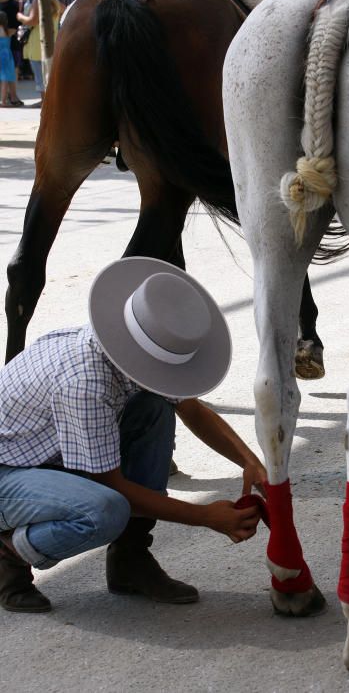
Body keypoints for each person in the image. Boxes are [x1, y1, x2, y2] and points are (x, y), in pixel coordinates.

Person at [0, 257, 267, 613]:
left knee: (155, 407)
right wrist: (207, 517)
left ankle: (130, 559)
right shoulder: (85, 384)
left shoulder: (126, 345)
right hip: (8, 473)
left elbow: (192, 410)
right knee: (104, 511)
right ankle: (8, 556)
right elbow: (113, 488)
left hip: (44, 455)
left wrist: (249, 461)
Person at [16, 0, 63, 107]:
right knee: (49, 73)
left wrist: (20, 16)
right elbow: (64, 10)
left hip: (38, 42)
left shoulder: (38, 1)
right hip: (52, 40)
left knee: (40, 74)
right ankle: (50, 101)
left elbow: (32, 20)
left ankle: (44, 101)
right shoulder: (55, 1)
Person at [0, 8, 22, 105]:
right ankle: (3, 101)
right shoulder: (8, 31)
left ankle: (3, 101)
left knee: (3, 79)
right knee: (6, 78)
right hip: (7, 55)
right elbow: (17, 30)